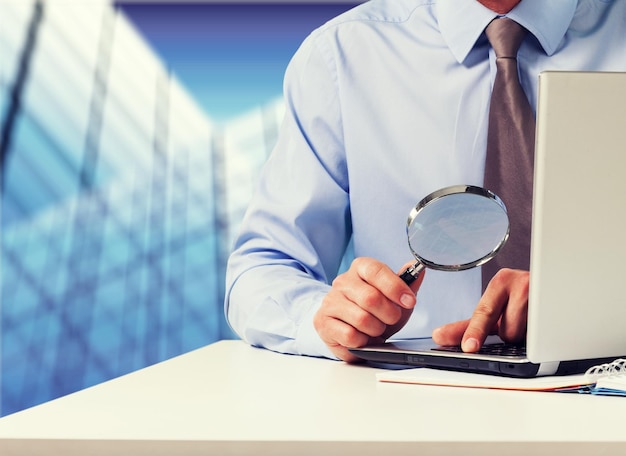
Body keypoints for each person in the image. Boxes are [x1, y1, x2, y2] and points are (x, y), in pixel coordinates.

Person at [224, 0, 626, 362]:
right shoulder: (341, 55)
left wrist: (590, 304)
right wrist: (327, 317)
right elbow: (262, 269)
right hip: (406, 403)